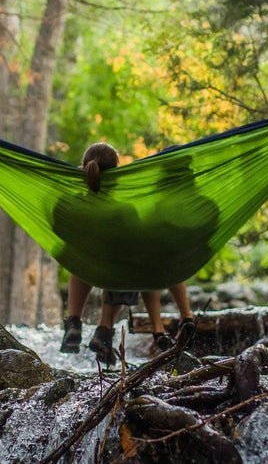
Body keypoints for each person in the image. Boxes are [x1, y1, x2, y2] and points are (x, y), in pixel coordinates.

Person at [56, 142, 194, 364]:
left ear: (83, 169)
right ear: (118, 175)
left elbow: (56, 230)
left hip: (84, 268)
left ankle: (73, 321)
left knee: (80, 256)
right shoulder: (125, 210)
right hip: (116, 274)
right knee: (128, 259)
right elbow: (139, 242)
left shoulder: (68, 204)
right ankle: (105, 329)